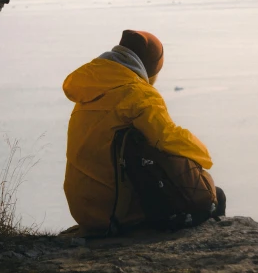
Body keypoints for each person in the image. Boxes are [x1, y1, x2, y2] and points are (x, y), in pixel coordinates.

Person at [63, 29, 226, 235]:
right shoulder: (138, 94)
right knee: (215, 197)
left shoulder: (90, 88)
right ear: (150, 66)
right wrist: (204, 158)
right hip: (113, 211)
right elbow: (167, 137)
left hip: (84, 208)